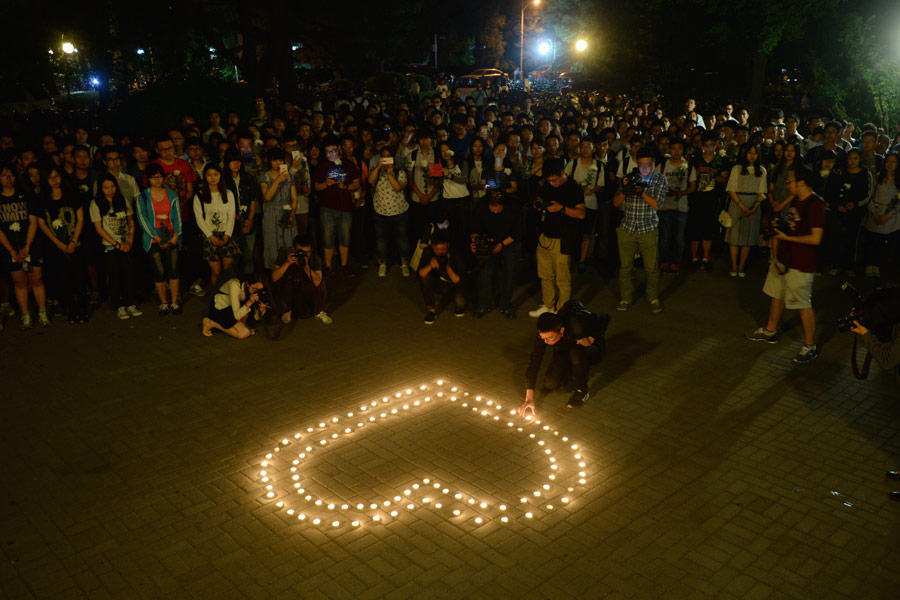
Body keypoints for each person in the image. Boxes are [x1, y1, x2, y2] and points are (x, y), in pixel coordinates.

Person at [746, 167, 825, 364]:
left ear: (802, 183)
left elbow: (816, 238)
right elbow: (791, 225)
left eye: (790, 181)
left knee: (802, 304)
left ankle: (810, 345)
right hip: (784, 258)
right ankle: (770, 330)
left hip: (801, 263)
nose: (787, 184)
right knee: (777, 295)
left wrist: (787, 237)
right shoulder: (796, 200)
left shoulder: (816, 205)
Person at [519, 300, 611, 414]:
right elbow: (534, 363)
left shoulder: (577, 324)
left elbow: (605, 318)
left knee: (575, 355)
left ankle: (582, 390)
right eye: (543, 338)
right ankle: (574, 370)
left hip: (590, 349)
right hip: (567, 350)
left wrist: (592, 337)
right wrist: (529, 398)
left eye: (550, 338)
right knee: (551, 383)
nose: (546, 342)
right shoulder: (543, 337)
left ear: (561, 330)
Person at [528, 157, 585, 317]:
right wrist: (538, 203)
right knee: (545, 275)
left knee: (562, 278)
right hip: (545, 236)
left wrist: (562, 209)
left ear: (561, 173)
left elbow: (581, 214)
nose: (552, 183)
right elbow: (539, 197)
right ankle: (548, 306)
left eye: (554, 180)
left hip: (563, 238)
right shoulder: (547, 184)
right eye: (549, 181)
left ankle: (562, 310)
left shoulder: (573, 188)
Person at [613, 147, 668, 312]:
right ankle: (625, 298)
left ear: (653, 164)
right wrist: (625, 189)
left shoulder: (660, 180)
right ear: (637, 162)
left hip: (648, 228)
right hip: (627, 227)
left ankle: (653, 298)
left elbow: (657, 204)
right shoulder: (629, 178)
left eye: (648, 165)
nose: (644, 169)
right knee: (625, 267)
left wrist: (641, 192)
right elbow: (615, 203)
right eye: (641, 165)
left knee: (651, 267)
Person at [37, 166, 90, 323]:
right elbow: (42, 224)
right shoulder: (43, 199)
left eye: (57, 177)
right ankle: (72, 311)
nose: (54, 180)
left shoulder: (71, 194)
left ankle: (83, 310)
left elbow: (80, 218)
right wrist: (58, 243)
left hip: (76, 242)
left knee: (80, 277)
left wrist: (73, 241)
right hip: (56, 246)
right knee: (64, 279)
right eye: (51, 178)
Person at [0, 165, 49, 328]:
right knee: (19, 282)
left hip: (31, 244)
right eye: (5, 176)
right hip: (9, 247)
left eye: (12, 176)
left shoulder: (26, 196)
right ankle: (25, 315)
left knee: (36, 278)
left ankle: (42, 313)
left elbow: (33, 221)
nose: (9, 180)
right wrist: (12, 250)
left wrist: (27, 245)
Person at [90, 173, 141, 319]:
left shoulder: (122, 200)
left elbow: (131, 220)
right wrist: (116, 244)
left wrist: (130, 240)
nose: (110, 190)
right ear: (101, 188)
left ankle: (129, 303)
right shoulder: (96, 204)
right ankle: (119, 305)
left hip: (126, 243)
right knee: (115, 277)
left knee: (128, 275)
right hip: (111, 246)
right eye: (106, 188)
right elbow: (99, 228)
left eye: (112, 187)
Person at [136, 163, 183, 316]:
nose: (157, 180)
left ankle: (175, 301)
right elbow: (142, 218)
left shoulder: (172, 195)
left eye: (159, 177)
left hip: (171, 237)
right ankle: (164, 302)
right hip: (153, 239)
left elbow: (177, 217)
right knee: (159, 271)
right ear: (148, 179)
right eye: (153, 177)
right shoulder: (143, 196)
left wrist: (176, 236)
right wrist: (155, 236)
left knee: (174, 269)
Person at [470, 190, 523, 319]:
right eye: (492, 209)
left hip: (510, 240)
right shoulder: (481, 205)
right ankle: (484, 304)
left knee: (509, 272)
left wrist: (502, 245)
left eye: (497, 210)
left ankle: (505, 305)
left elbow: (518, 232)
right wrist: (476, 242)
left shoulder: (514, 207)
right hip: (489, 238)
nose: (494, 212)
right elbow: (474, 228)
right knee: (485, 272)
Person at [313, 136, 360, 276]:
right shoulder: (321, 166)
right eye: (327, 152)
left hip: (345, 206)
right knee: (328, 237)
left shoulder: (347, 164)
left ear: (339, 149)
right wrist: (325, 184)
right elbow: (316, 186)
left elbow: (357, 183)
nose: (330, 154)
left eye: (333, 151)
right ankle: (328, 265)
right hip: (327, 207)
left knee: (344, 236)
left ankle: (344, 264)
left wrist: (345, 186)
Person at [724, 143, 768, 277]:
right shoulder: (737, 169)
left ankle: (741, 266)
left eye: (755, 153)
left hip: (754, 204)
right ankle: (734, 265)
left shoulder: (762, 171)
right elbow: (731, 189)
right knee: (735, 236)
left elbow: (762, 192)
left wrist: (753, 208)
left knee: (748, 238)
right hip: (737, 204)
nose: (752, 156)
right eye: (750, 153)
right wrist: (742, 206)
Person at [193, 163, 239, 290]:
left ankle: (230, 299)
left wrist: (227, 235)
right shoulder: (200, 195)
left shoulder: (228, 193)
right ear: (205, 177)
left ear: (220, 176)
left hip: (226, 234)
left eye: (215, 175)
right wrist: (211, 236)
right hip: (210, 236)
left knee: (229, 271)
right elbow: (199, 218)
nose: (212, 178)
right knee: (216, 272)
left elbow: (231, 215)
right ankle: (215, 300)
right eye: (209, 175)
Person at [369, 146, 411, 278]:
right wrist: (377, 168)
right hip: (380, 211)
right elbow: (370, 181)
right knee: (381, 240)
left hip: (399, 211)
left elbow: (398, 187)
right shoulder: (376, 171)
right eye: (383, 156)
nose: (385, 159)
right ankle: (382, 264)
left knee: (402, 239)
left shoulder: (399, 171)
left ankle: (404, 264)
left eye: (388, 156)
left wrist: (389, 174)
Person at [271, 234, 332, 325]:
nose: (304, 255)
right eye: (300, 252)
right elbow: (274, 278)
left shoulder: (315, 258)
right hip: (289, 289)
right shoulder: (284, 253)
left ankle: (318, 311)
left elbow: (317, 282)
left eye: (307, 252)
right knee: (283, 280)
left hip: (305, 289)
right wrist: (287, 263)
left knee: (321, 282)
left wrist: (306, 266)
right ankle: (286, 311)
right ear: (293, 249)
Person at [656, 139, 696, 274]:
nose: (676, 151)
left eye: (679, 148)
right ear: (669, 149)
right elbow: (655, 183)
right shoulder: (662, 165)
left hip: (681, 207)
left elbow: (692, 186)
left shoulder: (688, 166)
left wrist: (681, 193)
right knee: (665, 236)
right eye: (673, 148)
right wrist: (664, 191)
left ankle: (675, 262)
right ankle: (664, 261)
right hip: (665, 206)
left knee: (679, 237)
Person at [861, 152, 900, 278]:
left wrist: (889, 214)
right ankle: (869, 264)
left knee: (884, 244)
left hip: (891, 217)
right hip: (875, 213)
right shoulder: (877, 178)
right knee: (872, 240)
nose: (890, 164)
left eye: (894, 162)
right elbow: (869, 197)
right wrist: (875, 213)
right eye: (888, 161)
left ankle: (877, 265)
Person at [259, 148, 299, 271]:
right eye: (274, 161)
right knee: (272, 244)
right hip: (271, 213)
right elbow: (267, 197)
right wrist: (278, 180)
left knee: (289, 242)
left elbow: (294, 198)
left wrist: (292, 215)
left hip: (286, 211)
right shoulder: (264, 177)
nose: (278, 163)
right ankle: (274, 272)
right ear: (269, 161)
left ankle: (291, 269)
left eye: (280, 160)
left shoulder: (290, 176)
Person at [417, 229, 464, 324]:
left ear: (447, 244)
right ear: (433, 246)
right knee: (425, 278)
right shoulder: (428, 251)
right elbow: (421, 274)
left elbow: (458, 280)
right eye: (437, 249)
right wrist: (430, 266)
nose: (440, 252)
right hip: (438, 283)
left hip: (453, 285)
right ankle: (431, 310)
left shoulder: (455, 253)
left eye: (443, 249)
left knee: (460, 303)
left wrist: (447, 267)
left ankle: (455, 301)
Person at [201, 274, 267, 338]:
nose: (255, 292)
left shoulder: (250, 291)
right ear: (248, 283)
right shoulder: (235, 285)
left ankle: (220, 324)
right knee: (244, 333)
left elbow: (253, 318)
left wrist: (261, 311)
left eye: (258, 290)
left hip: (232, 311)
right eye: (254, 288)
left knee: (246, 329)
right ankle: (210, 323)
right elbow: (237, 315)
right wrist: (250, 302)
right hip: (221, 310)